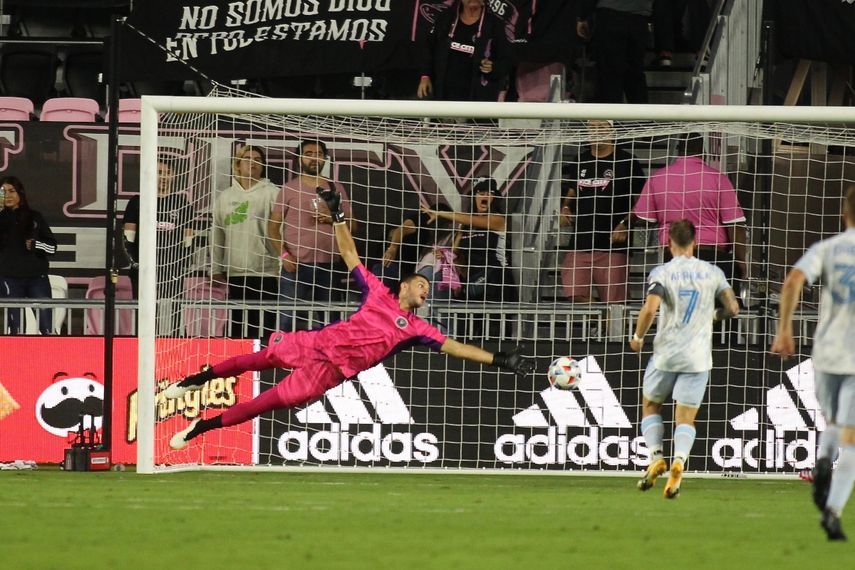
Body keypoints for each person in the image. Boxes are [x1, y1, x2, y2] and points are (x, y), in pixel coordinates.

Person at [166, 187, 534, 450]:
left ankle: (202, 427)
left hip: (329, 373)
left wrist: (499, 359)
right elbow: (348, 251)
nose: (426, 289)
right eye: (421, 283)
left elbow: (454, 347)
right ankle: (197, 378)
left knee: (263, 404)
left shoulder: (418, 329)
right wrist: (339, 216)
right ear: (404, 286)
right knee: (257, 359)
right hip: (316, 343)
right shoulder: (376, 292)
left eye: (428, 286)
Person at [630, 219, 738, 498]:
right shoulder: (712, 272)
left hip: (666, 353)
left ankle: (656, 457)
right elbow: (733, 307)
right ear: (695, 242)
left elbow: (651, 307)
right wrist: (716, 316)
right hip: (698, 357)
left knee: (651, 406)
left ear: (669, 243)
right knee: (685, 418)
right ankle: (679, 461)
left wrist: (638, 337)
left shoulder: (662, 272)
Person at [771, 185, 855, 541]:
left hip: (825, 352)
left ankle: (822, 460)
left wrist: (784, 329)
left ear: (844, 212)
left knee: (833, 422)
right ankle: (833, 511)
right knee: (850, 436)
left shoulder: (827, 248)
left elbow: (793, 280)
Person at [633, 133, 748, 288]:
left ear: (678, 150)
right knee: (716, 309)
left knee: (679, 309)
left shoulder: (658, 177)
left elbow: (644, 219)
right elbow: (735, 224)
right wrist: (741, 261)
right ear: (703, 151)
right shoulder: (718, 178)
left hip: (674, 258)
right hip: (712, 256)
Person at [268, 140, 358, 332]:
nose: (314, 158)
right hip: (296, 265)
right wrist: (284, 256)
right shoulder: (289, 188)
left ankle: (327, 360)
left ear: (324, 159)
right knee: (287, 320)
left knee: (330, 322)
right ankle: (281, 359)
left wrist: (333, 218)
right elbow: (273, 228)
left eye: (318, 154)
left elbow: (354, 226)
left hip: (330, 264)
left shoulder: (335, 188)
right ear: (300, 158)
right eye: (309, 153)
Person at [559, 119, 643, 303]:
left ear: (612, 132)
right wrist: (565, 207)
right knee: (574, 294)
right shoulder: (580, 159)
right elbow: (573, 189)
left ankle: (607, 328)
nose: (596, 131)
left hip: (613, 246)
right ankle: (598, 322)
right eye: (592, 128)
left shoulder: (627, 161)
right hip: (580, 243)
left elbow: (641, 201)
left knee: (614, 305)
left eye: (601, 127)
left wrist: (625, 224)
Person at [211, 144, 281, 338]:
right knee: (238, 328)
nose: (253, 163)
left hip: (266, 273)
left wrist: (282, 264)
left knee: (266, 328)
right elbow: (217, 234)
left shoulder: (273, 193)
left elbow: (282, 231)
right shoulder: (225, 197)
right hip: (235, 272)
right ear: (238, 164)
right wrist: (216, 269)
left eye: (258, 160)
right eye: (248, 158)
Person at [421, 178, 510, 302]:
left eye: (489, 193)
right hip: (470, 281)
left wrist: (440, 213)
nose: (486, 196)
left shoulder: (498, 220)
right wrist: (446, 255)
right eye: (481, 193)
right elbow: (455, 254)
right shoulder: (464, 227)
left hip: (494, 280)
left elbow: (470, 219)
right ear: (474, 197)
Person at [123, 157, 194, 301]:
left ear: (173, 175)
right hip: (143, 270)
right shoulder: (137, 202)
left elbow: (189, 239)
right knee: (143, 314)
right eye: (159, 172)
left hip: (172, 270)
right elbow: (128, 237)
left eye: (168, 172)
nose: (164, 177)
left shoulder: (182, 203)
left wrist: (181, 264)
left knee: (172, 314)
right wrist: (135, 262)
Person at [417, 0, 511, 102]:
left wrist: (493, 67)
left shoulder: (495, 24)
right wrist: (425, 76)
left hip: (478, 98)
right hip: (443, 94)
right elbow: (428, 49)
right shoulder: (445, 18)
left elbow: (507, 61)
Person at [0, 176, 58, 335]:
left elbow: (53, 248)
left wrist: (36, 245)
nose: (8, 195)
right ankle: (17, 359)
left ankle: (55, 358)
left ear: (20, 193)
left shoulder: (35, 217)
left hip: (36, 279)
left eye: (12, 191)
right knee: (16, 329)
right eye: (3, 192)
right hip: (8, 279)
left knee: (47, 327)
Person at [576, 0, 651, 104]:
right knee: (635, 75)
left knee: (609, 74)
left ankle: (607, 117)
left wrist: (583, 15)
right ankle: (642, 118)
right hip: (640, 18)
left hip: (611, 14)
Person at [373, 202, 455, 290]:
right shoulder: (423, 218)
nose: (447, 226)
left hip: (402, 271)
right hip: (392, 266)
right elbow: (401, 230)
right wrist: (392, 249)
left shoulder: (432, 231)